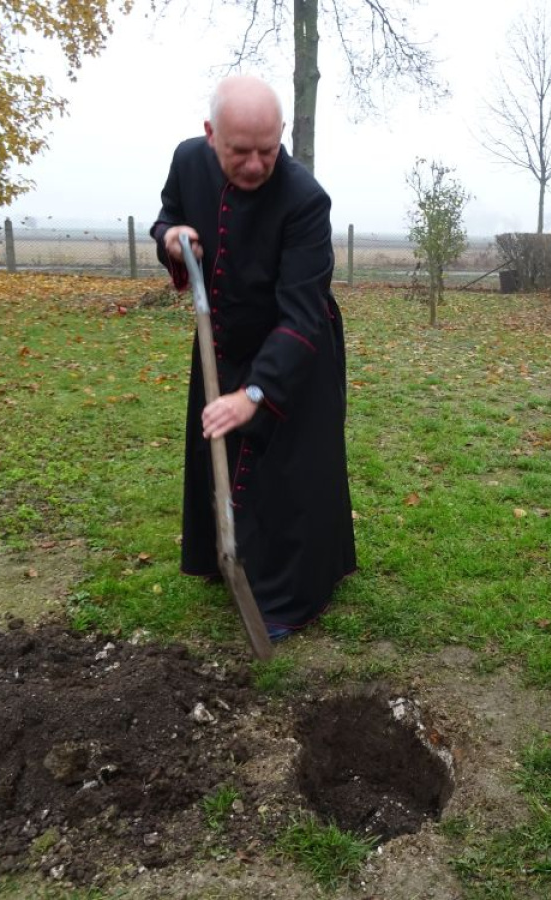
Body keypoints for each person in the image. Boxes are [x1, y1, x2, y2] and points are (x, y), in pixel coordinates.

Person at [150, 75, 356, 642]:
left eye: (268, 149)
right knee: (221, 448)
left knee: (290, 472)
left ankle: (289, 595)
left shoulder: (305, 199)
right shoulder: (187, 161)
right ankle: (224, 554)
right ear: (211, 134)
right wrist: (171, 237)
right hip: (223, 337)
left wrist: (256, 393)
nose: (256, 164)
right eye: (240, 151)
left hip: (295, 347)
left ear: (281, 132)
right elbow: (167, 215)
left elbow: (303, 314)